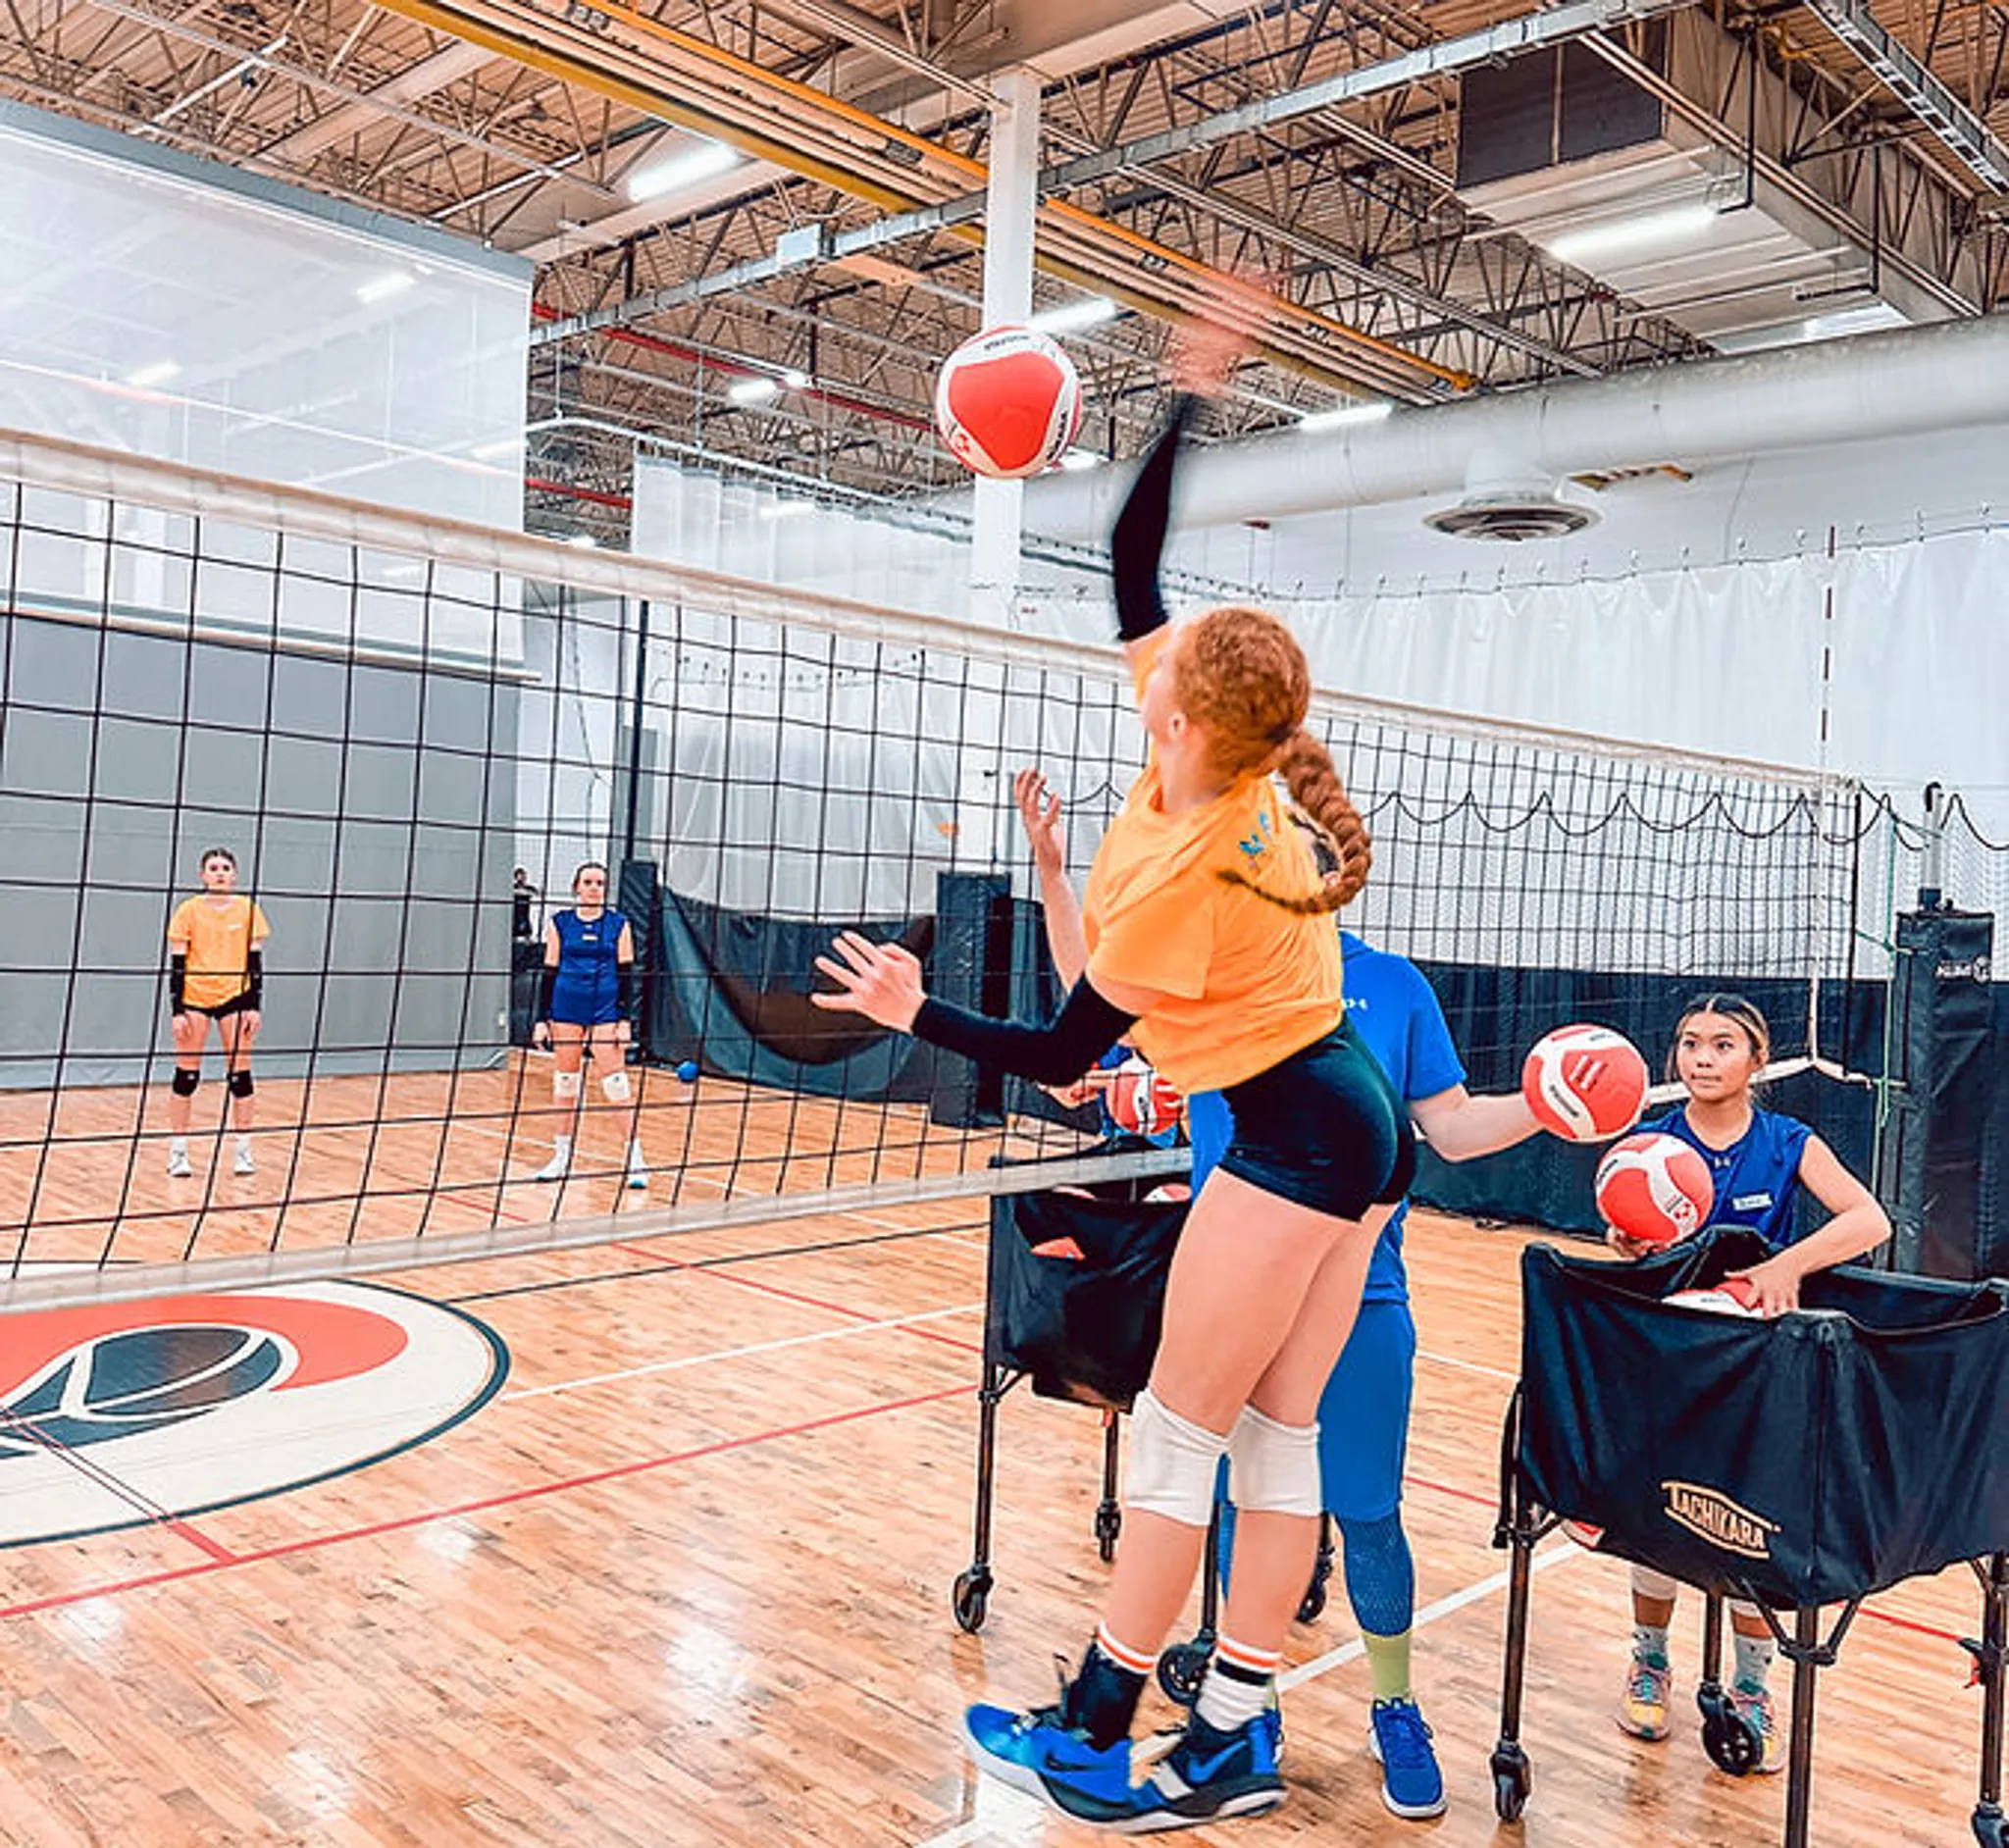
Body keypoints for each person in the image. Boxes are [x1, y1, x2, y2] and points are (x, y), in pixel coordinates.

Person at [814, 333, 1409, 1831]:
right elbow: (1137, 558)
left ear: (1184, 716)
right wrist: (1193, 387)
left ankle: (1095, 1730)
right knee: (1280, 1439)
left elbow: (1067, 1058)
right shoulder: (1240, 758)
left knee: (1183, 1436)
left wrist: (915, 1004)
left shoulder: (1184, 872)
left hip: (1289, 1137)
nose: (1151, 653)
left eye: (1172, 660)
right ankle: (1226, 1737)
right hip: (1349, 1122)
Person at [1015, 765, 1546, 1822]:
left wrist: (1541, 1106)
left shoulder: (1393, 985)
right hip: (1225, 1275)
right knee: (1220, 1499)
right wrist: (1049, 874)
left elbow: (1446, 1130)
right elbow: (1093, 1004)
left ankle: (1392, 1706)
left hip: (1360, 1292)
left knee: (1366, 1513)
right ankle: (1237, 1715)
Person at [1607, 992, 1889, 1772]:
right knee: (1660, 1515)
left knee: (1751, 1523)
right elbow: (1629, 1240)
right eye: (1691, 1044)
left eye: (1723, 1044)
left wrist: (1784, 1266)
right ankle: (1650, 1658)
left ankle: (1750, 1687)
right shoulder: (1652, 1145)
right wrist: (1628, 1242)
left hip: (1759, 1366)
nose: (1702, 1057)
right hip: (1674, 1359)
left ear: (1756, 1060)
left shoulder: (1787, 1141)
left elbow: (1870, 1222)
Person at [527, 861, 647, 1190]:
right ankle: (561, 1157)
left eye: (600, 883)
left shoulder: (618, 924)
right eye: (589, 882)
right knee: (565, 1083)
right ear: (576, 887)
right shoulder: (560, 923)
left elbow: (627, 974)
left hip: (605, 1010)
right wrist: (541, 1019)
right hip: (566, 1008)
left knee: (616, 1084)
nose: (595, 887)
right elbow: (548, 972)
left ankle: (635, 1159)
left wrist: (625, 1020)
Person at [164, 847, 270, 1179]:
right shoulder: (188, 911)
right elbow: (177, 965)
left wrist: (254, 1005)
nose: (220, 872)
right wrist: (177, 1010)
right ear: (203, 875)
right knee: (186, 1076)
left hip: (235, 997)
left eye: (226, 867)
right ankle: (178, 1153)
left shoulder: (249, 909)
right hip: (195, 996)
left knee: (240, 1076)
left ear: (234, 874)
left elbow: (255, 964)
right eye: (213, 868)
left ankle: (243, 1152)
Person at [512, 866, 540, 943]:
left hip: (525, 911)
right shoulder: (513, 887)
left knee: (525, 927)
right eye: (520, 875)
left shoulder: (529, 888)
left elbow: (536, 892)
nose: (522, 877)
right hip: (516, 911)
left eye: (523, 875)